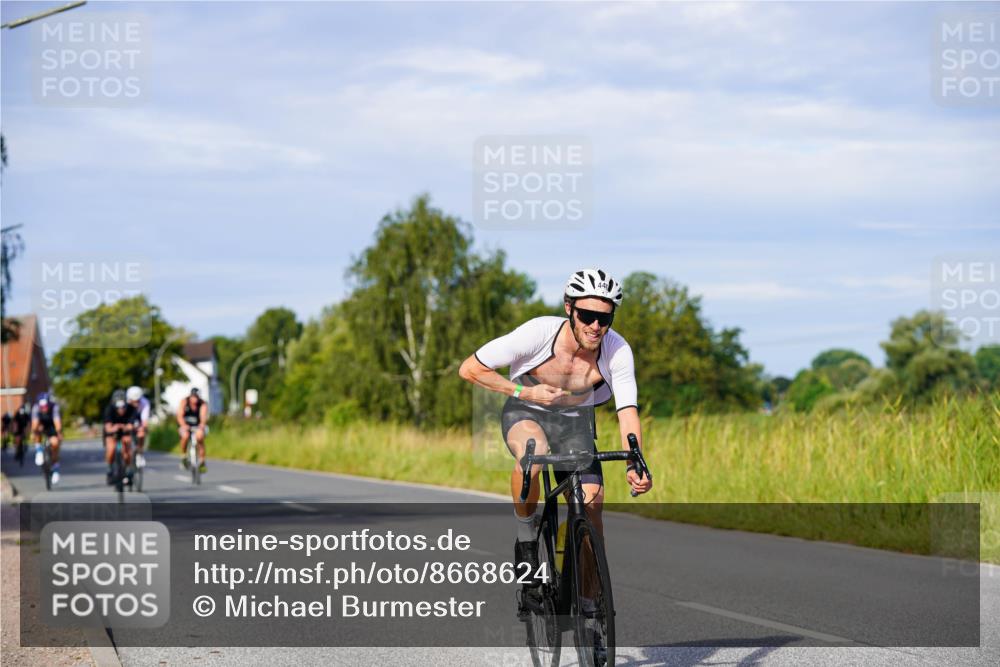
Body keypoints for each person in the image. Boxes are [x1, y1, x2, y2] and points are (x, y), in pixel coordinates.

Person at [458, 268, 653, 579]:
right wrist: (524, 390)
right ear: (569, 308)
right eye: (587, 315)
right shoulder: (538, 333)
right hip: (527, 411)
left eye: (605, 318)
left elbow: (627, 409)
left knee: (592, 507)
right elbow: (470, 369)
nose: (595, 326)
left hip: (576, 423)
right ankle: (526, 540)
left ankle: (590, 609)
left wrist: (636, 461)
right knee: (533, 456)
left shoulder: (617, 350)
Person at [103, 389, 137, 485]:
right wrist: (114, 428)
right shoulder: (109, 409)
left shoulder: (131, 409)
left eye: (123, 407)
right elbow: (108, 427)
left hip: (125, 432)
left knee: (127, 451)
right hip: (112, 433)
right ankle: (110, 469)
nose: (121, 409)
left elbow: (131, 425)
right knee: (111, 449)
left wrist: (124, 427)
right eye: (118, 407)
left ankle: (128, 469)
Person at [31, 393, 63, 485]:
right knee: (36, 431)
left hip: (52, 426)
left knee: (55, 443)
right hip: (41, 424)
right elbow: (34, 424)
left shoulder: (54, 407)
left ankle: (55, 469)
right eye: (42, 407)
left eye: (46, 406)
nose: (44, 409)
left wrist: (59, 433)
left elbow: (57, 423)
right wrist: (34, 432)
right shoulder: (36, 408)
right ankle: (39, 451)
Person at [177, 388, 208, 473]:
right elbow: (180, 415)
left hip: (197, 426)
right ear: (190, 396)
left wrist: (201, 425)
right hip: (185, 425)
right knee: (185, 436)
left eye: (197, 397)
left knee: (200, 437)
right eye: (193, 397)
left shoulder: (202, 404)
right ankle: (183, 456)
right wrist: (183, 425)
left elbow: (203, 417)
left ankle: (202, 460)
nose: (195, 399)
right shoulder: (184, 402)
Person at [126, 386, 151, 469]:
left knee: (141, 434)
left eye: (137, 400)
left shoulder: (145, 403)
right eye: (133, 400)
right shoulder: (125, 403)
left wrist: (142, 427)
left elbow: (145, 420)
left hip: (138, 420)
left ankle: (140, 453)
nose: (136, 402)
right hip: (127, 421)